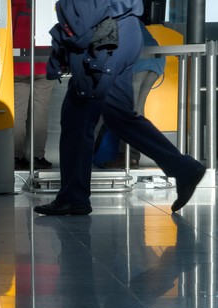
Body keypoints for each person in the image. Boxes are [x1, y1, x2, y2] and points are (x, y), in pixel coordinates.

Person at [34, 0, 206, 215]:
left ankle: (73, 197)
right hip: (120, 37)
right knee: (119, 115)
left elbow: (83, 20)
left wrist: (65, 48)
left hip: (104, 42)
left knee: (77, 117)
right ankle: (185, 168)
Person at [95, 19, 166, 169]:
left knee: (126, 111)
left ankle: (128, 157)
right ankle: (131, 156)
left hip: (136, 61)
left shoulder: (104, 14)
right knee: (136, 110)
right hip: (155, 59)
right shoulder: (126, 12)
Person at [12, 0, 55, 170]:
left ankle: (16, 156)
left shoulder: (11, 5)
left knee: (17, 111)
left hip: (16, 67)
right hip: (44, 66)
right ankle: (37, 156)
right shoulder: (47, 5)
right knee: (40, 111)